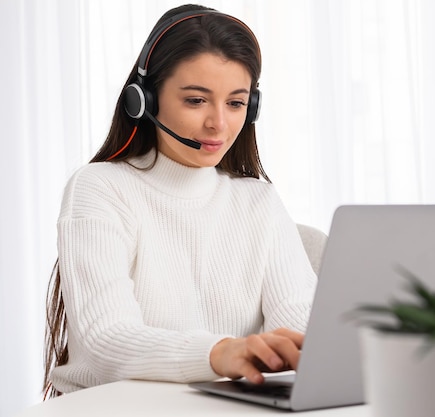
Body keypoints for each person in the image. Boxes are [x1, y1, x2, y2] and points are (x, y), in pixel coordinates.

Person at [43, 3, 317, 399]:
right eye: (196, 100)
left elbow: (298, 330)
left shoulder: (259, 200)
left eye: (236, 103)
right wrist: (219, 353)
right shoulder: (100, 187)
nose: (219, 124)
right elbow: (107, 339)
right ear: (145, 101)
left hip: (222, 407)